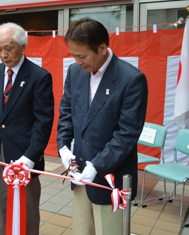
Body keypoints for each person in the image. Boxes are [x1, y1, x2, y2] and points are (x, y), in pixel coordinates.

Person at [57, 18, 148, 235]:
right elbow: (66, 113)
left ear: (102, 48)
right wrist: (63, 147)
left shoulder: (131, 79)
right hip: (79, 174)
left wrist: (96, 166)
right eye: (73, 55)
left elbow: (127, 133)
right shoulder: (75, 72)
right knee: (81, 230)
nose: (78, 61)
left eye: (82, 55)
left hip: (110, 177)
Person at [0, 22, 54, 235]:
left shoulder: (39, 77)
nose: (3, 54)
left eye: (8, 48)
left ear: (22, 46)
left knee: (26, 209)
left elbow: (43, 122)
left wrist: (30, 156)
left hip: (24, 155)